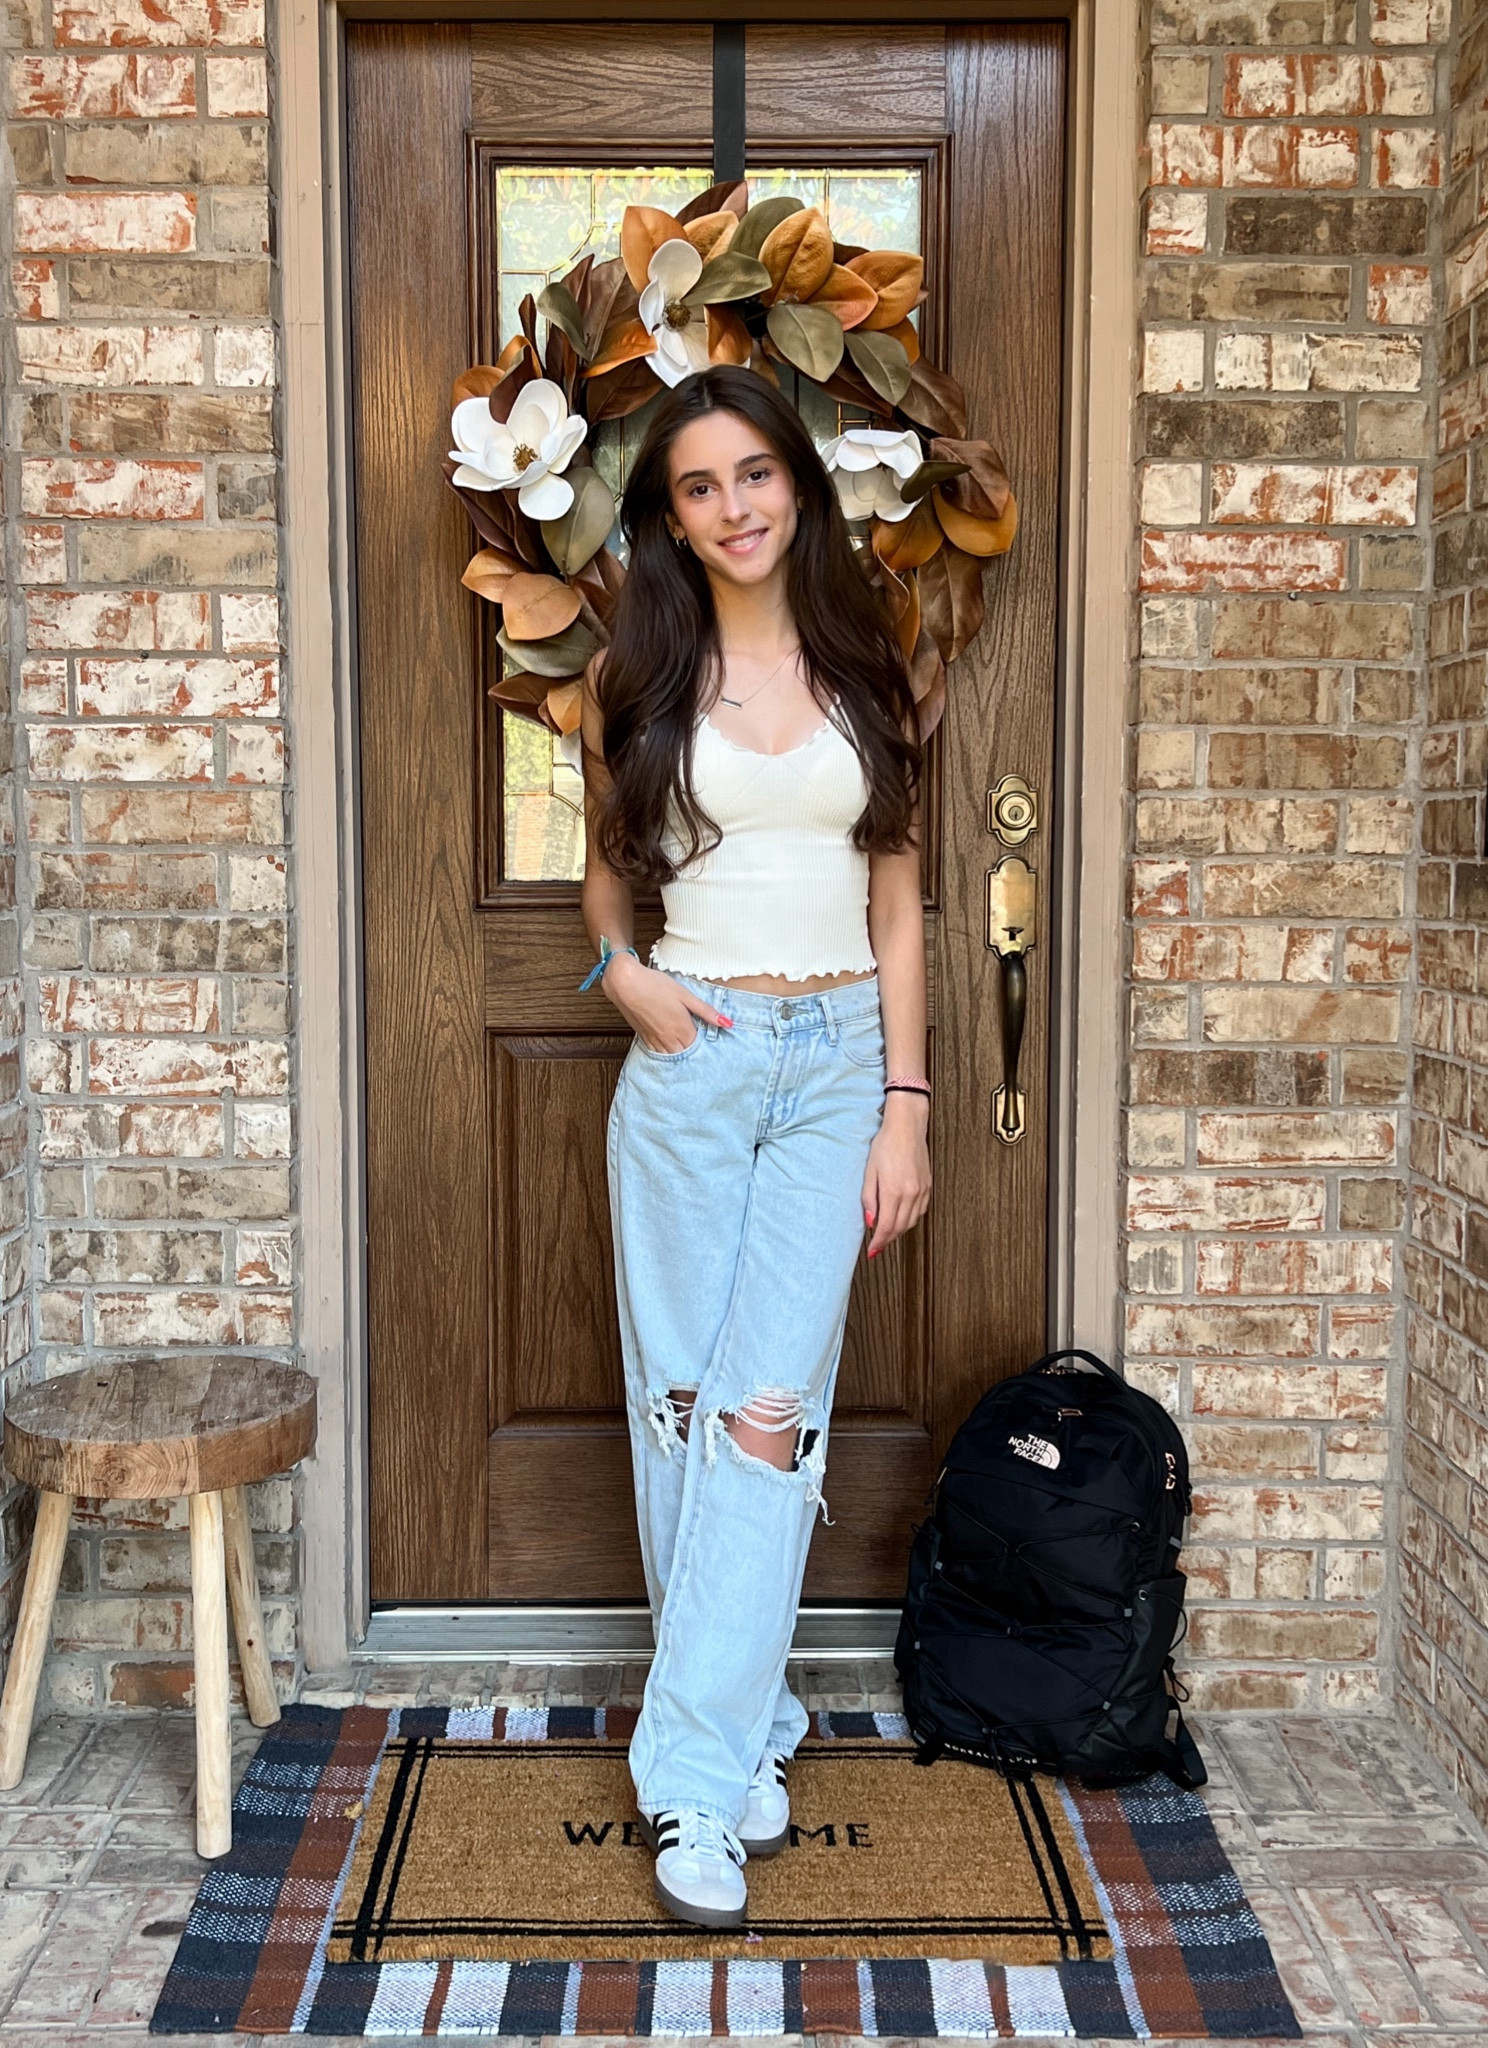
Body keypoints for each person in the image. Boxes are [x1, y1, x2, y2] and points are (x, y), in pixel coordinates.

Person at [579, 365, 932, 1929]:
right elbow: (603, 871)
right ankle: (743, 1732)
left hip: (836, 1056)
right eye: (699, 487)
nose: (732, 508)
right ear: (672, 515)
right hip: (694, 1054)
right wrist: (628, 981)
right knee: (680, 1409)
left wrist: (908, 1102)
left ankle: (694, 1783)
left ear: (800, 482)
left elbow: (902, 901)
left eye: (754, 476)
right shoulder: (635, 669)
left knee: (764, 1413)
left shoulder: (874, 667)